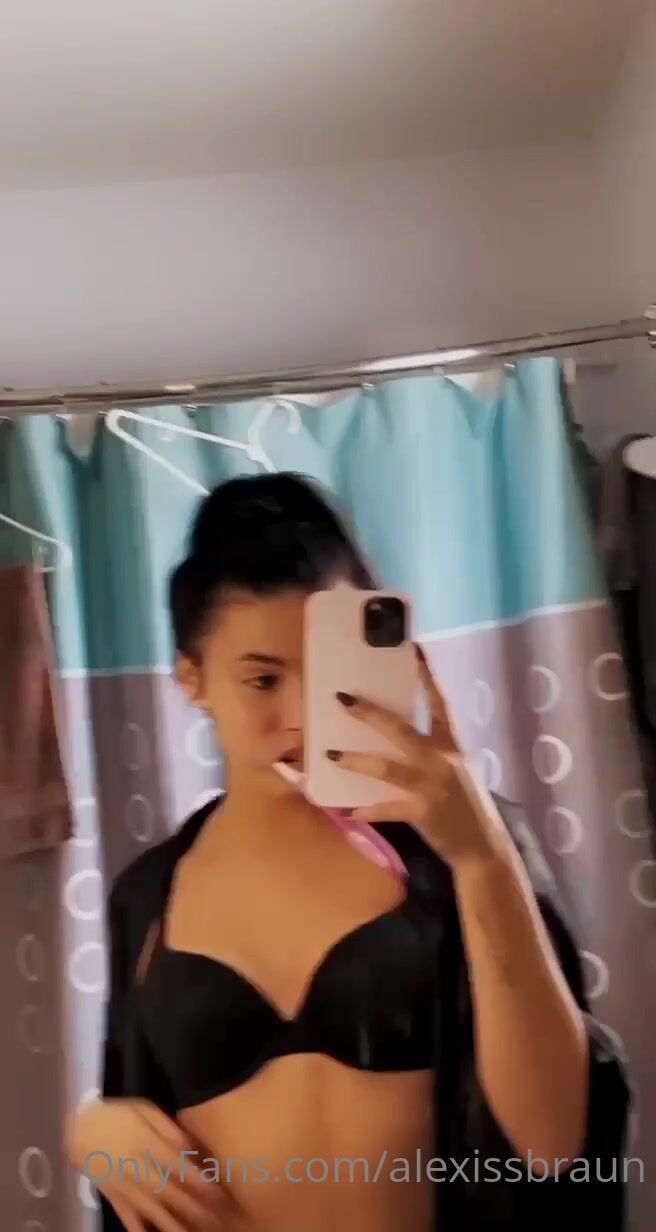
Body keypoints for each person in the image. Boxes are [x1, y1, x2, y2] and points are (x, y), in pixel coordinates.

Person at [65, 472, 631, 1232]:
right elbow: (136, 1112)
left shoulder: (458, 849)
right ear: (192, 679)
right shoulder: (150, 897)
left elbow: (553, 1145)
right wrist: (94, 1129)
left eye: (330, 673)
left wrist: (481, 857)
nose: (302, 714)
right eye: (263, 678)